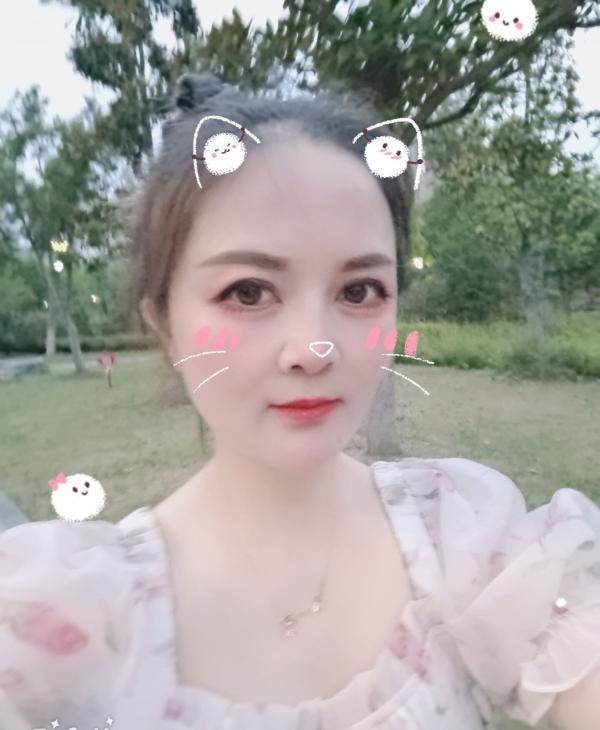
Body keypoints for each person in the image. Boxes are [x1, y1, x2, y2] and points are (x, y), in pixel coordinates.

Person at [1, 72, 599, 730]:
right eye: (248, 292)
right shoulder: (64, 625)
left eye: (359, 291)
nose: (315, 349)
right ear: (163, 322)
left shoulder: (464, 537)